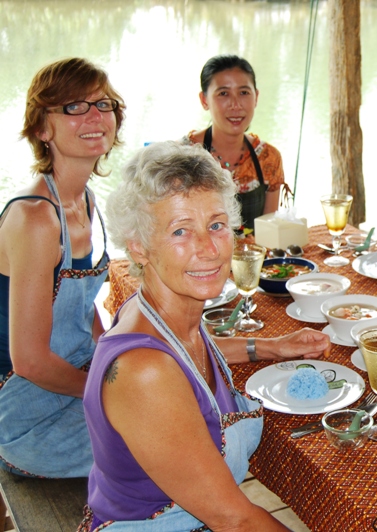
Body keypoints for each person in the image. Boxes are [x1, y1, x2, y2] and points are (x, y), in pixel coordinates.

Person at [80, 142, 330, 530]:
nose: (209, 248)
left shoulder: (157, 310)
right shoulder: (144, 372)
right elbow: (237, 520)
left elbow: (187, 355)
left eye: (216, 225)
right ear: (138, 247)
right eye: (181, 231)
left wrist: (271, 346)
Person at [0, 58, 123, 478]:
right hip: (22, 414)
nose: (94, 116)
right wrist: (108, 390)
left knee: (184, 400)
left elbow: (78, 307)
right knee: (162, 434)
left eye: (103, 104)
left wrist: (115, 358)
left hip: (71, 379)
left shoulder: (86, 200)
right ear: (41, 128)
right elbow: (29, 362)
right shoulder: (35, 218)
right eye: (73, 106)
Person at [183, 54, 287, 231]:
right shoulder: (183, 157)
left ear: (256, 97)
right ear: (204, 100)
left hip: (252, 257)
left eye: (244, 92)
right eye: (223, 93)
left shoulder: (268, 158)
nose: (235, 104)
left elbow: (268, 232)